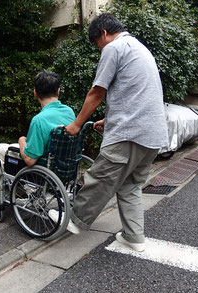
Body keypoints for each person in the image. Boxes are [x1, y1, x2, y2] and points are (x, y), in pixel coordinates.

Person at [50, 14, 169, 252]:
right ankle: (134, 237)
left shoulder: (114, 48)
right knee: (130, 186)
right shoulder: (140, 49)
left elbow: (96, 92)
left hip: (129, 134)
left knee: (99, 178)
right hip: (153, 135)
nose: (99, 48)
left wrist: (76, 124)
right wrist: (110, 118)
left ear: (103, 33)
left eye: (97, 42)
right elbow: (138, 93)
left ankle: (73, 220)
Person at [0, 70, 75, 197]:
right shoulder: (69, 112)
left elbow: (30, 160)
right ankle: (17, 189)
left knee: (1, 149)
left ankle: (0, 193)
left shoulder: (39, 120)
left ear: (35, 93)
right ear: (58, 91)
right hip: (64, 166)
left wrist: (22, 140)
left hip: (43, 170)